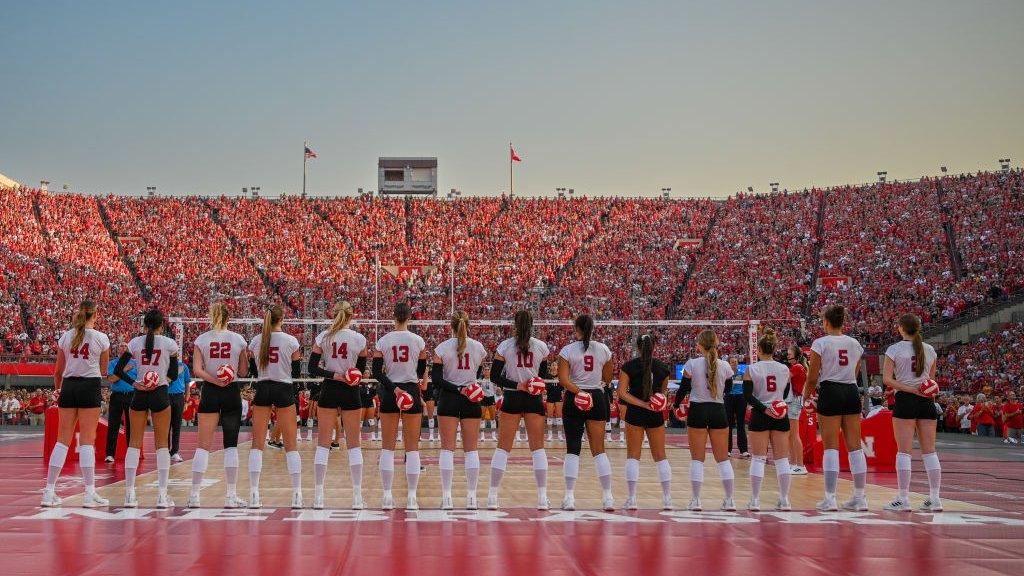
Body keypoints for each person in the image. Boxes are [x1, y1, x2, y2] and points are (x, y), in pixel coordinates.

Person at [41, 301, 111, 508]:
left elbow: (57, 371)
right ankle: (89, 493)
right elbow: (104, 369)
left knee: (62, 440)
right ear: (95, 315)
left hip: (69, 386)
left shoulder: (66, 336)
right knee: (88, 440)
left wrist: (58, 390)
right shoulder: (101, 337)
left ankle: (49, 491)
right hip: (90, 385)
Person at [113, 308, 180, 508]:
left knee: (133, 443)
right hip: (159, 392)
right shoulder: (170, 344)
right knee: (162, 445)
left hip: (140, 393)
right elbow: (174, 374)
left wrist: (135, 383)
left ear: (144, 325)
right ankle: (161, 495)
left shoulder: (134, 342)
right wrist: (161, 381)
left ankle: (129, 494)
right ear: (161, 325)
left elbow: (118, 370)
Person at [187, 302, 250, 508]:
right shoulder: (238, 339)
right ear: (228, 318)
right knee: (231, 445)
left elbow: (197, 370)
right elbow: (242, 372)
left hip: (211, 391)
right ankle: (231, 496)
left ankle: (194, 495)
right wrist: (227, 374)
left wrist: (214, 380)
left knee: (203, 446)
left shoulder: (202, 339)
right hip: (231, 390)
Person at [307, 300, 368, 510]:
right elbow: (360, 372)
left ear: (334, 314)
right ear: (351, 316)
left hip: (330, 388)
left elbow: (312, 367)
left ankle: (318, 496)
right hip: (351, 391)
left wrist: (335, 374)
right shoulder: (359, 339)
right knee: (354, 444)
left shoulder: (323, 337)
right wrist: (348, 376)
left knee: (323, 443)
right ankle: (357, 497)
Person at [487, 310, 550, 510]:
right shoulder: (541, 346)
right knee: (538, 449)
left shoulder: (505, 346)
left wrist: (517, 385)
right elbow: (543, 376)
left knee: (503, 448)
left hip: (512, 397)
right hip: (534, 399)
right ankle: (542, 498)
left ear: (514, 324)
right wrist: (530, 384)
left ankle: (492, 496)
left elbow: (495, 377)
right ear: (532, 324)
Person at [806, 305, 866, 512]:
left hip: (830, 390)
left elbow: (812, 376)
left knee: (831, 446)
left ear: (826, 322)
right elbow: (855, 371)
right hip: (850, 390)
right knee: (855, 446)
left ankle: (830, 498)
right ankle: (860, 497)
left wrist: (807, 395)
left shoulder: (820, 343)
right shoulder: (854, 343)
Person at [882, 313, 943, 512]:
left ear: (901, 328)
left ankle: (903, 498)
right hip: (927, 401)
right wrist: (919, 389)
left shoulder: (895, 349)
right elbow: (930, 382)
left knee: (904, 451)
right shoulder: (930, 349)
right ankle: (935, 498)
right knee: (930, 451)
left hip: (906, 400)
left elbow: (887, 379)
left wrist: (906, 388)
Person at [372, 302, 428, 510]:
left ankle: (387, 496)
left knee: (387, 447)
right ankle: (412, 497)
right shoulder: (418, 340)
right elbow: (421, 369)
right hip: (411, 390)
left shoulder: (384, 340)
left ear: (393, 317)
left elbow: (377, 372)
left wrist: (393, 388)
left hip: (390, 391)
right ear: (409, 317)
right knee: (412, 448)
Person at [247, 305, 303, 509]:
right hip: (283, 387)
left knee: (258, 443)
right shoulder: (291, 341)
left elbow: (253, 370)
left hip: (263, 387)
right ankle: (297, 493)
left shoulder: (256, 340)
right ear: (282, 318)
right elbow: (295, 372)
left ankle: (254, 493)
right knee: (291, 445)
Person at [673, 329, 736, 511]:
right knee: (723, 459)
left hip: (698, 410)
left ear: (699, 345)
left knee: (697, 459)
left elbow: (684, 388)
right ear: (716, 344)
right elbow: (729, 388)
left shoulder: (692, 364)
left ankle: (696, 500)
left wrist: (676, 405)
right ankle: (730, 500)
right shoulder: (725, 365)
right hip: (718, 410)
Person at [432, 311, 489, 510]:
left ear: (451, 326)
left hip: (449, 398)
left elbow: (437, 380)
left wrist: (457, 388)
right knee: (471, 450)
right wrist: (467, 386)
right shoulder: (479, 347)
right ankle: (472, 497)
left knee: (447, 449)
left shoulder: (442, 348)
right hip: (471, 398)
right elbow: (478, 371)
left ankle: (447, 497)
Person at [558, 315, 615, 511]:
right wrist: (592, 389)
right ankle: (608, 497)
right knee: (599, 449)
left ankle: (569, 497)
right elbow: (608, 377)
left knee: (573, 448)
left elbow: (564, 380)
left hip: (576, 397)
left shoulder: (568, 350)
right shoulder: (603, 349)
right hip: (597, 398)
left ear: (577, 329)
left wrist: (579, 392)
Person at [616, 334, 673, 510]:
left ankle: (632, 499)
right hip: (655, 414)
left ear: (638, 347)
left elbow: (622, 393)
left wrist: (642, 403)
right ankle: (667, 499)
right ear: (654, 347)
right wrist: (656, 402)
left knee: (633, 455)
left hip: (635, 413)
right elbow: (664, 393)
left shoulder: (629, 366)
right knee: (660, 456)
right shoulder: (663, 368)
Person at [743, 328, 793, 511]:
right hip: (780, 414)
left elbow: (747, 396)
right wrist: (775, 405)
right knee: (782, 460)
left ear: (759, 350)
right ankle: (785, 499)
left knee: (758, 459)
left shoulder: (752, 369)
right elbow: (785, 393)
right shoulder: (784, 369)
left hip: (761, 413)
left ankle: (755, 500)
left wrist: (764, 408)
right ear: (774, 349)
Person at [104, 342, 136, 462]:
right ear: (117, 349)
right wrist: (124, 370)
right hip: (117, 395)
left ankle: (132, 452)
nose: (123, 347)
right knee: (113, 425)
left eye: (125, 346)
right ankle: (110, 454)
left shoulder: (135, 363)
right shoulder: (112, 363)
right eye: (121, 346)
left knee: (132, 426)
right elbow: (112, 379)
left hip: (132, 395)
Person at [786, 344, 809, 475]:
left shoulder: (797, 367)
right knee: (791, 435)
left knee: (794, 435)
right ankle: (794, 463)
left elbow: (784, 379)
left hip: (794, 401)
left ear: (796, 355)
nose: (787, 355)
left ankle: (800, 465)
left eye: (789, 353)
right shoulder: (797, 367)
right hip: (793, 401)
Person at [167, 355, 192, 463]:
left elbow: (187, 383)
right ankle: (165, 451)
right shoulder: (164, 364)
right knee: (165, 426)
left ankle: (175, 451)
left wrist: (187, 398)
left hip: (178, 396)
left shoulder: (184, 366)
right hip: (165, 395)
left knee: (176, 425)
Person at [724, 357, 749, 458]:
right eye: (732, 362)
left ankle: (743, 450)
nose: (734, 363)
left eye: (735, 362)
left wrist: (747, 400)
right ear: (729, 364)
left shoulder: (742, 374)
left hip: (740, 398)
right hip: (729, 398)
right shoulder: (726, 375)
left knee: (741, 424)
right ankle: (727, 449)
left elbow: (746, 388)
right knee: (728, 424)